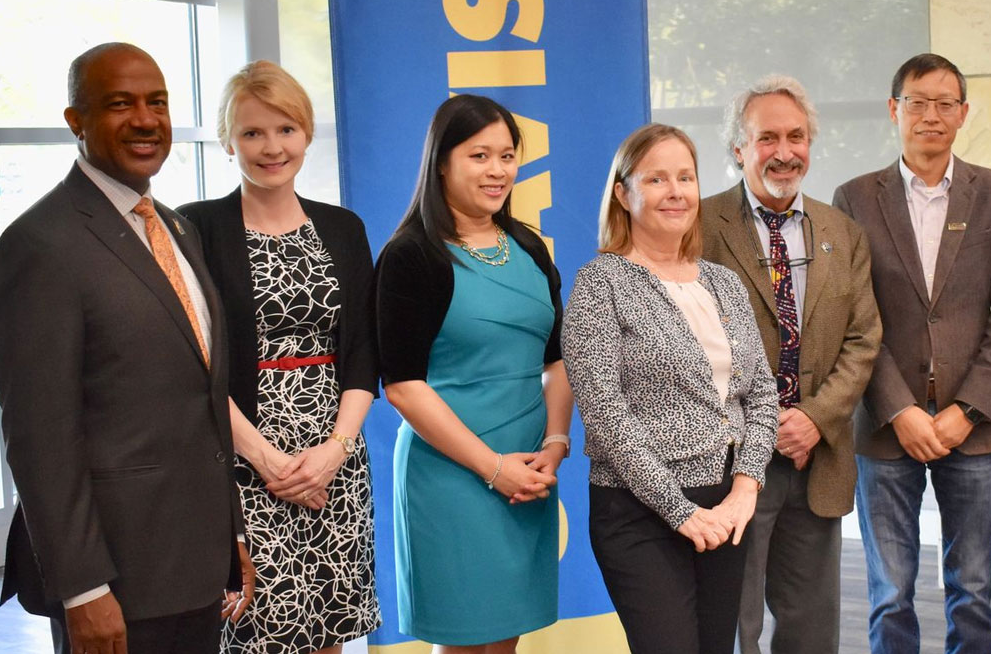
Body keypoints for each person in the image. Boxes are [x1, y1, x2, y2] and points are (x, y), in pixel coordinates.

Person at [0, 42, 254, 654]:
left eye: (157, 102)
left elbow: (201, 403)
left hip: (195, 568)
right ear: (75, 121)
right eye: (119, 103)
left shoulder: (176, 227)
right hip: (115, 580)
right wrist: (83, 591)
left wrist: (228, 534)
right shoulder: (40, 245)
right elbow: (40, 438)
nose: (145, 119)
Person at [176, 60, 380, 653]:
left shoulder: (343, 227)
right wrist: (269, 462)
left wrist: (334, 451)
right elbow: (196, 362)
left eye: (286, 129)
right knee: (258, 630)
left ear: (307, 134)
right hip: (242, 460)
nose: (272, 147)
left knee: (328, 631)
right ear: (226, 140)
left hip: (334, 458)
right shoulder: (195, 227)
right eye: (253, 132)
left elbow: (365, 351)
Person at [833, 53, 991, 654]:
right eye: (917, 102)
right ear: (895, 110)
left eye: (946, 103)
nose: (931, 115)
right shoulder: (855, 198)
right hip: (885, 426)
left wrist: (966, 410)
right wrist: (900, 409)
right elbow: (855, 316)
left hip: (972, 428)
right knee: (889, 591)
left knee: (972, 587)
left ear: (963, 113)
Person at [562, 123, 778, 654]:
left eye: (686, 177)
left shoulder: (722, 282)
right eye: (656, 179)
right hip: (639, 512)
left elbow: (762, 396)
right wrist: (679, 510)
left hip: (727, 507)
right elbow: (606, 415)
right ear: (623, 192)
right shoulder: (600, 284)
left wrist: (745, 488)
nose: (676, 191)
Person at [375, 93, 571, 653]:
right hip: (452, 474)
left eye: (507, 156)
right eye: (479, 155)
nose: (497, 171)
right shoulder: (412, 255)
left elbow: (557, 360)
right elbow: (404, 387)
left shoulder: (529, 246)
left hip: (528, 469)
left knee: (505, 638)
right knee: (462, 638)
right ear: (442, 160)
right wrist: (492, 468)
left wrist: (555, 444)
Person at [700, 75, 880, 654]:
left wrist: (813, 418)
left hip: (815, 454)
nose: (784, 152)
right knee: (734, 622)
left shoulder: (841, 231)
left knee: (811, 623)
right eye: (767, 137)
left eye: (796, 136)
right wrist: (761, 425)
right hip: (728, 458)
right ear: (738, 149)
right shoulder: (699, 228)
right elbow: (685, 343)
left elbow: (863, 339)